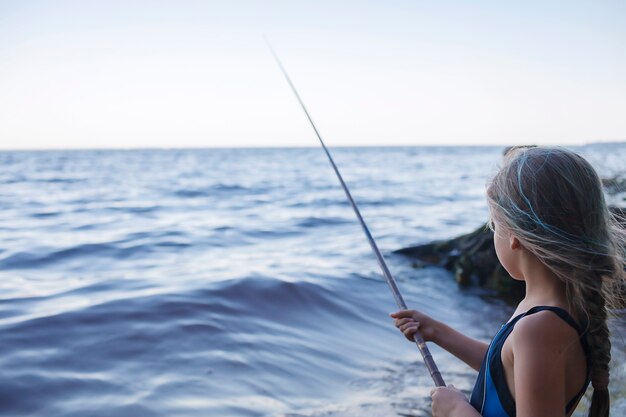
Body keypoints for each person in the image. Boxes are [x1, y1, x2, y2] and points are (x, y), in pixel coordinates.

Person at [391, 147, 625, 417]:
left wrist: (455, 410)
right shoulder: (550, 309)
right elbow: (507, 373)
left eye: (494, 225)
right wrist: (437, 332)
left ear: (514, 236)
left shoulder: (541, 327)